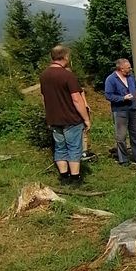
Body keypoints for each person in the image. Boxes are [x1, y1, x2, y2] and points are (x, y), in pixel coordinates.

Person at [39, 45, 91, 185]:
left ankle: (64, 176)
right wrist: (86, 118)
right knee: (74, 148)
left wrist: (49, 115)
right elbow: (76, 99)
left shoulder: (44, 75)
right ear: (65, 57)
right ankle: (75, 178)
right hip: (71, 118)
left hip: (54, 118)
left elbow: (44, 98)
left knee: (60, 147)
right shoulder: (67, 75)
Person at [103, 58, 136, 166]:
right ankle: (124, 159)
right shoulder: (111, 79)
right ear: (121, 68)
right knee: (121, 136)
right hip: (120, 111)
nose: (130, 68)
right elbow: (108, 95)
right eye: (128, 67)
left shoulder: (131, 77)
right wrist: (122, 98)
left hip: (133, 109)